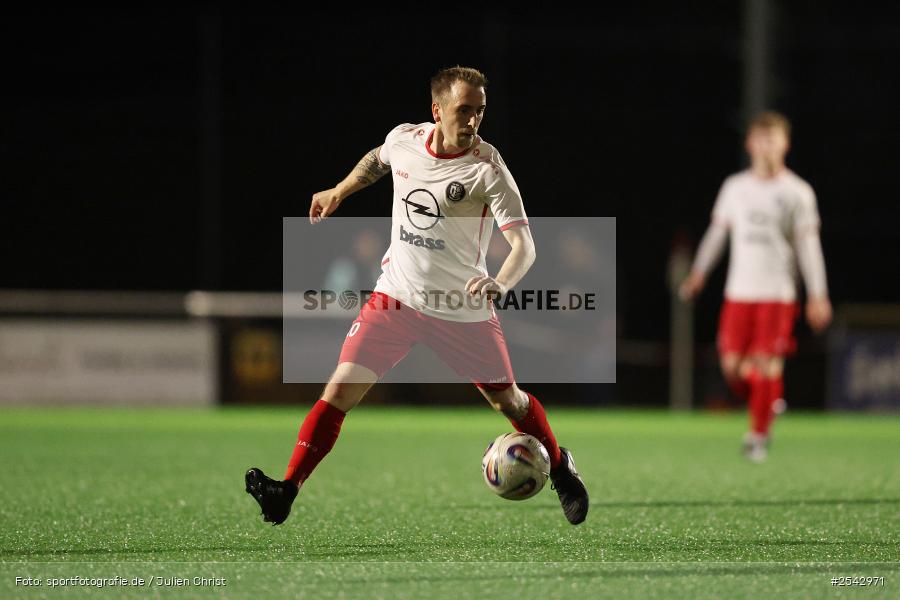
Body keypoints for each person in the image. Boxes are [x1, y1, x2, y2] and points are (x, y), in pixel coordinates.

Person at [245, 66, 588, 525]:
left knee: (509, 403)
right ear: (437, 109)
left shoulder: (488, 168)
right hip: (397, 299)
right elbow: (378, 158)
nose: (472, 121)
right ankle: (286, 490)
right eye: (463, 110)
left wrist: (500, 282)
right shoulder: (406, 139)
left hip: (461, 308)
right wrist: (339, 190)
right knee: (338, 390)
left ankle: (561, 468)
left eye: (480, 112)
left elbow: (525, 245)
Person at [680, 111, 832, 462]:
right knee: (733, 367)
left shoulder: (798, 192)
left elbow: (809, 247)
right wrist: (699, 272)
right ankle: (769, 400)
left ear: (785, 144)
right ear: (750, 144)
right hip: (739, 293)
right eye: (760, 139)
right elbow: (718, 233)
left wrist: (818, 295)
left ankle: (757, 436)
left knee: (765, 364)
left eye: (773, 139)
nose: (766, 146)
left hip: (777, 293)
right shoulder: (736, 188)